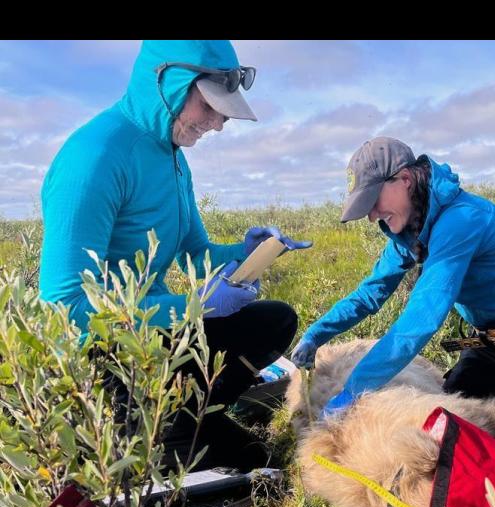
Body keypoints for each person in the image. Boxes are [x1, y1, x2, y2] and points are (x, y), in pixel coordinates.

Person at [39, 40, 311, 471]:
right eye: (210, 106)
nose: (218, 123)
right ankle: (147, 428)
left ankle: (186, 415)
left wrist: (247, 252)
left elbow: (196, 253)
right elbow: (63, 304)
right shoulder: (93, 158)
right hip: (107, 357)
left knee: (276, 320)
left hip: (156, 334)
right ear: (167, 82)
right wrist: (195, 306)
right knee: (254, 461)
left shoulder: (173, 157)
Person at [291, 137, 495, 436]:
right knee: (454, 424)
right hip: (494, 344)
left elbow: (421, 319)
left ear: (405, 179)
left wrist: (354, 389)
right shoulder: (408, 231)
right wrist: (315, 334)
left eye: (373, 200)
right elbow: (370, 294)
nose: (372, 216)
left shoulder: (462, 220)